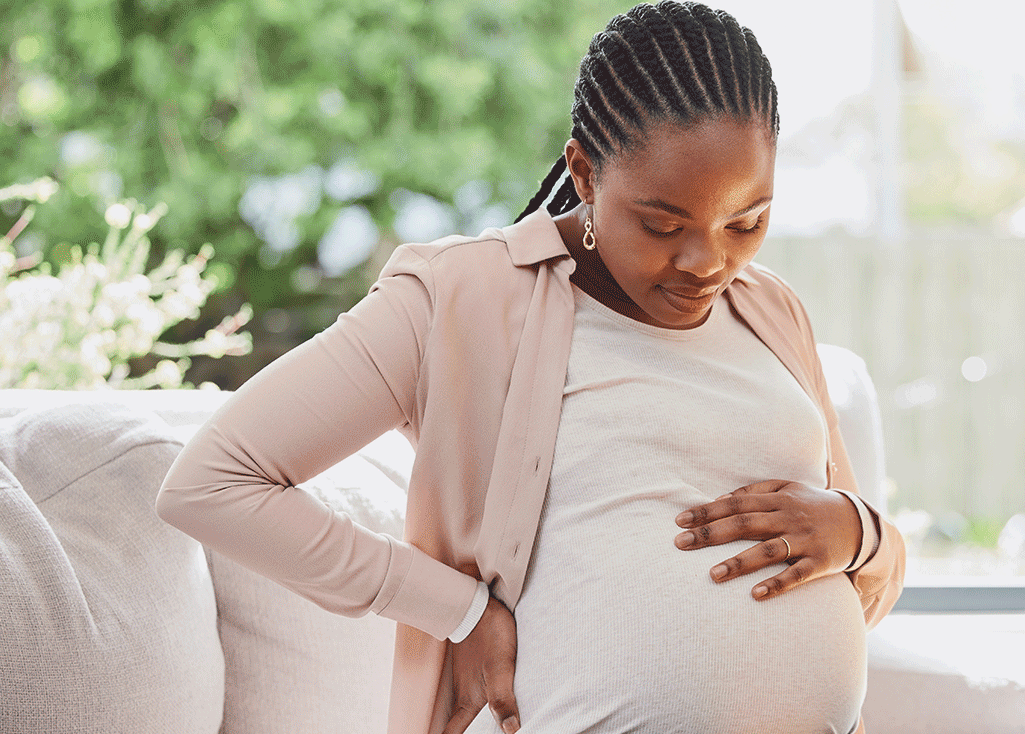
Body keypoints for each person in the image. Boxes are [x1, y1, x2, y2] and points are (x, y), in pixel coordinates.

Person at [156, 2, 905, 733]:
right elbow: (211, 484)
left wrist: (859, 534)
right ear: (583, 172)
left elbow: (855, 580)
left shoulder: (772, 310)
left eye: (748, 221)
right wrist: (458, 610)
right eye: (662, 224)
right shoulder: (458, 297)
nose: (707, 261)